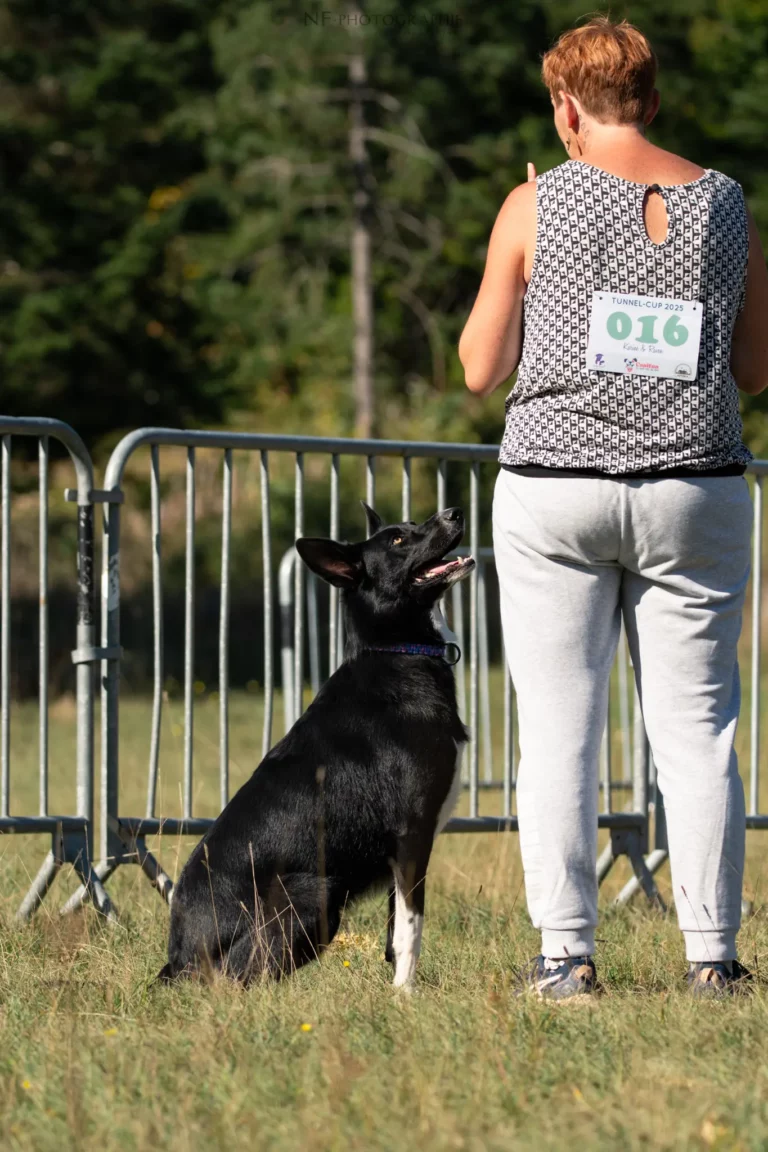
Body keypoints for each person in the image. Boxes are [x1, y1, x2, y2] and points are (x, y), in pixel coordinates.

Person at [459, 15, 768, 999]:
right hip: (695, 485)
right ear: (654, 100)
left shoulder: (535, 203)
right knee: (698, 726)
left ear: (564, 106)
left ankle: (565, 957)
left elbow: (478, 368)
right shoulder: (727, 204)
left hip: (554, 490)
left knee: (557, 726)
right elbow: (755, 369)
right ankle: (713, 959)